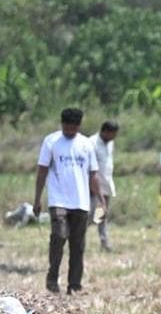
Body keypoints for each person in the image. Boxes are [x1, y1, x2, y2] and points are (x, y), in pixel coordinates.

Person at [34, 108, 103, 294]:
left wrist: (101, 200)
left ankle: (74, 285)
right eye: (67, 127)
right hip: (58, 200)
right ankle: (52, 278)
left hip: (81, 201)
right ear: (62, 124)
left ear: (79, 126)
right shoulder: (51, 141)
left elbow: (93, 175)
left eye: (74, 128)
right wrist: (37, 198)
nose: (70, 131)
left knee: (77, 246)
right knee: (59, 236)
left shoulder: (86, 144)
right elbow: (42, 170)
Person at [90, 120, 119, 252]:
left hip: (106, 184)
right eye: (112, 134)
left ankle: (104, 242)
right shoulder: (91, 143)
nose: (114, 138)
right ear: (105, 131)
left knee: (101, 215)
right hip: (93, 185)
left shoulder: (110, 143)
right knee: (89, 215)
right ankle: (76, 238)